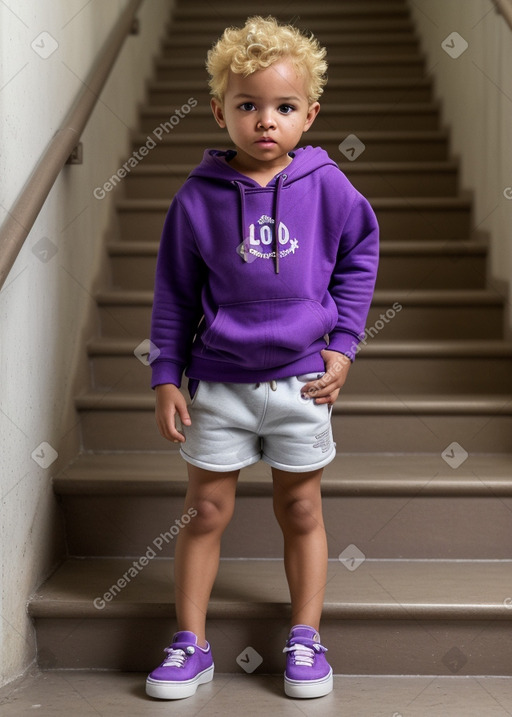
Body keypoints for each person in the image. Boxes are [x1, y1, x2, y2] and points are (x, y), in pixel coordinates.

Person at [145, 15, 379, 701]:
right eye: (247, 105)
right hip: (218, 381)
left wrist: (343, 346)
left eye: (282, 107)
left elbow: (360, 258)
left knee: (301, 509)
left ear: (310, 113)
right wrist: (166, 375)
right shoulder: (196, 199)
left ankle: (305, 636)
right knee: (206, 512)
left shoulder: (329, 187)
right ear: (221, 112)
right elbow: (173, 294)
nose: (265, 121)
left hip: (303, 383)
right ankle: (190, 642)